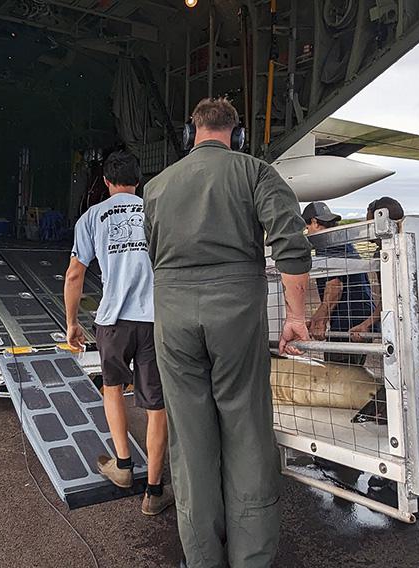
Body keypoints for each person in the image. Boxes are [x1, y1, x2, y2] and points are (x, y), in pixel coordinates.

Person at [143, 97, 311, 568]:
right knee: (246, 430)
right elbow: (291, 246)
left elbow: (154, 253)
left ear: (190, 133)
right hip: (236, 314)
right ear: (235, 134)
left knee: (190, 441)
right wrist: (296, 315)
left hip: (172, 316)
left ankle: (201, 558)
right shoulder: (255, 172)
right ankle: (251, 557)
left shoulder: (155, 187)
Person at [64, 150, 173, 516]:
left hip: (112, 320)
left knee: (113, 388)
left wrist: (72, 322)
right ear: (138, 181)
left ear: (107, 183)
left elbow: (75, 274)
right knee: (156, 406)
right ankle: (155, 493)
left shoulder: (92, 217)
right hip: (155, 318)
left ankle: (124, 467)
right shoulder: (156, 212)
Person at [302, 201, 376, 366]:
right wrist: (320, 318)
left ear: (314, 222)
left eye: (306, 229)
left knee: (337, 376)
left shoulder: (328, 244)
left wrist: (318, 319)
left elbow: (335, 287)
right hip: (358, 321)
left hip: (348, 326)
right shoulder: (342, 242)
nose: (307, 235)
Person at [346, 197, 407, 342]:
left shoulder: (385, 254)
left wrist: (365, 325)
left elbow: (388, 299)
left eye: (370, 224)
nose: (368, 229)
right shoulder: (392, 247)